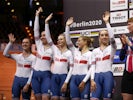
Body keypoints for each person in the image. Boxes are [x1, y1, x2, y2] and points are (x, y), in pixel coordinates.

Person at [63, 17, 96, 100]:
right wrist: (67, 26)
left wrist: (84, 81)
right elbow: (68, 40)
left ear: (85, 42)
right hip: (73, 79)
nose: (77, 42)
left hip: (84, 79)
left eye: (79, 40)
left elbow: (91, 69)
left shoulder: (90, 54)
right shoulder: (75, 51)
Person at [45, 13, 73, 100]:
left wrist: (66, 82)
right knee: (54, 98)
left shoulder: (69, 53)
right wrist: (46, 23)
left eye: (61, 39)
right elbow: (48, 38)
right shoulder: (55, 49)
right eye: (58, 39)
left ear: (65, 40)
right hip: (54, 77)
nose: (59, 41)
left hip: (63, 77)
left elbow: (71, 69)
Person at [90, 11, 116, 100]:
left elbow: (113, 38)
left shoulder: (112, 48)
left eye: (106, 35)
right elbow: (93, 66)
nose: (104, 37)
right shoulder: (94, 51)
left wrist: (107, 22)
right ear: (99, 37)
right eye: (102, 35)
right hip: (96, 76)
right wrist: (92, 79)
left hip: (108, 76)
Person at [3, 33, 36, 100]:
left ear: (30, 45)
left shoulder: (33, 58)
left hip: (26, 81)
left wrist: (28, 84)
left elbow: (33, 72)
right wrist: (10, 42)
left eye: (27, 42)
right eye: (23, 42)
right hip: (17, 80)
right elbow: (5, 54)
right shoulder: (18, 56)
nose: (24, 44)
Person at [32, 7, 53, 100]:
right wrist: (37, 15)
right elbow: (35, 30)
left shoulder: (53, 49)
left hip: (46, 76)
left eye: (44, 35)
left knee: (45, 97)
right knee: (37, 97)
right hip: (35, 75)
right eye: (41, 35)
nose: (42, 37)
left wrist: (46, 22)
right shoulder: (39, 44)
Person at [119, 17, 133, 100]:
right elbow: (121, 58)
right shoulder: (129, 39)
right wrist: (124, 45)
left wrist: (130, 44)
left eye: (129, 24)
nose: (127, 27)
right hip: (128, 73)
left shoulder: (129, 41)